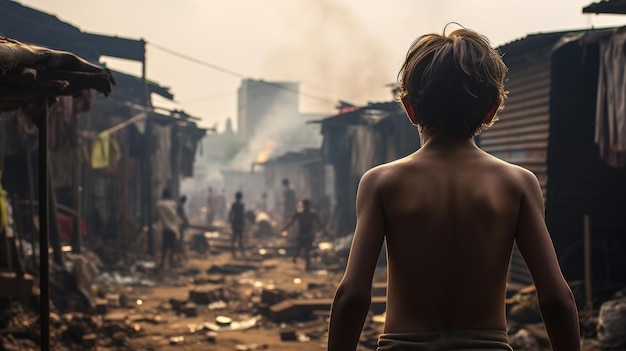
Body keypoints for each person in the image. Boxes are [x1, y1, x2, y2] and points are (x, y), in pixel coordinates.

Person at [327, 26, 580, 351]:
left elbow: (353, 294)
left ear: (409, 107)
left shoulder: (381, 183)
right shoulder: (517, 184)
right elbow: (557, 297)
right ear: (491, 110)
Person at [282, 198, 325, 271]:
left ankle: (307, 265)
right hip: (301, 235)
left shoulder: (312, 213)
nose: (306, 206)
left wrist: (326, 231)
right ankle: (295, 259)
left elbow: (320, 223)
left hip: (309, 235)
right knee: (298, 249)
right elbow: (291, 221)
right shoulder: (299, 213)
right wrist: (285, 228)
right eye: (305, 205)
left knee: (307, 250)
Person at [156, 189, 182, 269]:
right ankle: (171, 263)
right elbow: (175, 215)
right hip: (173, 228)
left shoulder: (159, 204)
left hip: (165, 228)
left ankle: (163, 263)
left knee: (164, 247)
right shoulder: (173, 204)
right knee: (172, 247)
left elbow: (157, 216)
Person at [228, 191, 246, 258]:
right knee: (240, 239)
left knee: (234, 238)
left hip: (235, 223)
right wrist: (243, 223)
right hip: (239, 223)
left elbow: (230, 214)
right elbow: (242, 215)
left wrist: (231, 221)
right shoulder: (242, 205)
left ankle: (234, 253)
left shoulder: (234, 205)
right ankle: (241, 253)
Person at [176, 195, 190, 261]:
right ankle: (180, 253)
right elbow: (182, 216)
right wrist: (186, 221)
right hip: (179, 224)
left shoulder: (179, 206)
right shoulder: (180, 207)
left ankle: (180, 253)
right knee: (180, 238)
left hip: (178, 224)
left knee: (180, 238)